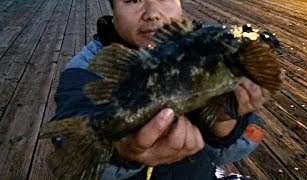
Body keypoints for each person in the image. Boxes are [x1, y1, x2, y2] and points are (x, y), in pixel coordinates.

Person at [52, 0, 269, 179]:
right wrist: (123, 151)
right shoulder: (85, 69)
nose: (152, 13)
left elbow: (234, 150)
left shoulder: (210, 50)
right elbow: (70, 133)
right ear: (113, 8)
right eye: (133, 0)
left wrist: (224, 121)